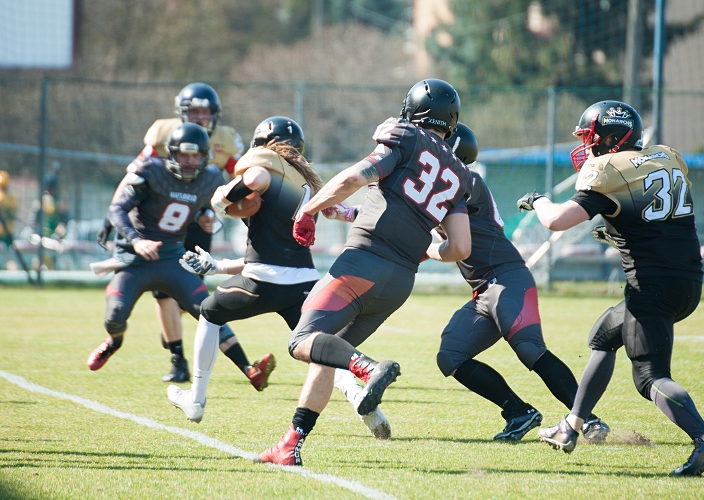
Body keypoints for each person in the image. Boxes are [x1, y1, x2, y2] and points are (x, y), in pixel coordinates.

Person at [260, 78, 472, 466]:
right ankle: (290, 445)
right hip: (400, 282)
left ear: (414, 110)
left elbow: (352, 178)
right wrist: (422, 248)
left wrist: (308, 210)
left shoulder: (406, 136)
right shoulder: (459, 172)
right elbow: (459, 247)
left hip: (363, 262)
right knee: (327, 354)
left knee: (301, 340)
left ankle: (369, 368)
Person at [517, 100, 704, 476]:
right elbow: (658, 222)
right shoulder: (666, 157)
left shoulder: (608, 170)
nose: (586, 146)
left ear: (611, 138)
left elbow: (557, 221)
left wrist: (539, 201)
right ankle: (571, 426)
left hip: (652, 287)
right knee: (604, 335)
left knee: (650, 376)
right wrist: (620, 232)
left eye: (590, 137)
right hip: (687, 281)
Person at [166, 116, 390, 439]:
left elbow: (255, 178)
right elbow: (339, 213)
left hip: (262, 281)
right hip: (304, 283)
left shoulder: (264, 168)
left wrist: (222, 199)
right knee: (320, 350)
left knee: (210, 312)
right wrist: (217, 266)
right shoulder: (307, 182)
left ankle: (196, 400)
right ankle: (360, 401)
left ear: (263, 145)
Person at [434, 123, 609, 442]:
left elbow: (419, 220)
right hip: (483, 291)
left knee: (529, 349)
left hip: (507, 278)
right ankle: (518, 412)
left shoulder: (465, 180)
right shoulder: (443, 186)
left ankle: (588, 419)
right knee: (451, 355)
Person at [97, 82, 258, 384]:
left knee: (190, 294)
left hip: (197, 217)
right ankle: (177, 358)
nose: (200, 118)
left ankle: (177, 331)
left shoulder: (222, 143)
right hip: (158, 222)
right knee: (164, 294)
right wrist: (113, 211)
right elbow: (132, 175)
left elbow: (241, 180)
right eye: (194, 112)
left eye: (206, 113)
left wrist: (225, 216)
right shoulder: (164, 135)